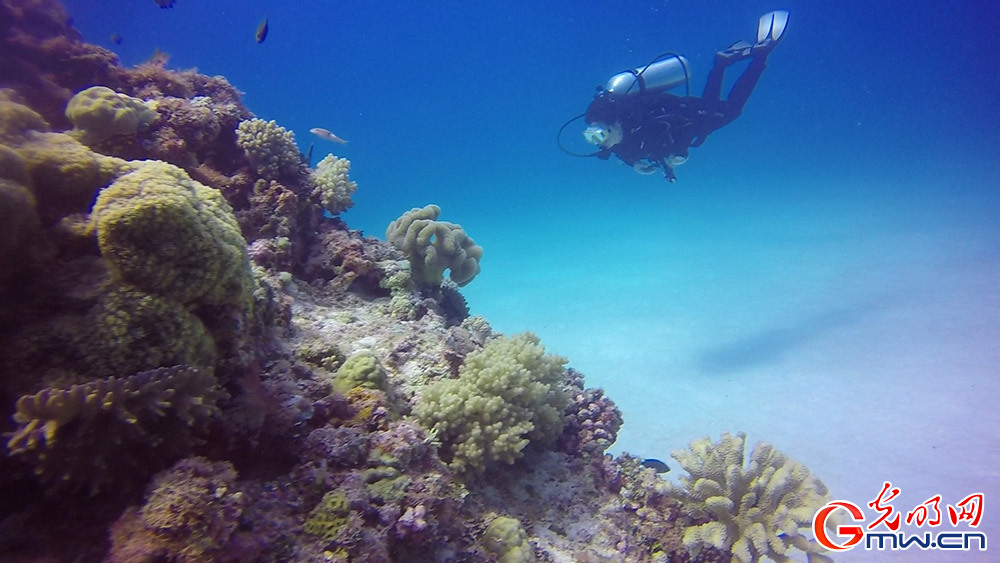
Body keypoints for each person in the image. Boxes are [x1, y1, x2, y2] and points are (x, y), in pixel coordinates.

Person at [580, 11, 789, 182]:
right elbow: (624, 148)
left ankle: (760, 57)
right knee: (713, 107)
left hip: (686, 113)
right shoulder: (620, 135)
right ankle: (721, 63)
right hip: (692, 114)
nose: (602, 144)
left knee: (732, 110)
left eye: (601, 137)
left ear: (614, 124)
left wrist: (679, 152)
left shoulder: (640, 123)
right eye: (596, 138)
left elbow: (679, 126)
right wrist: (635, 164)